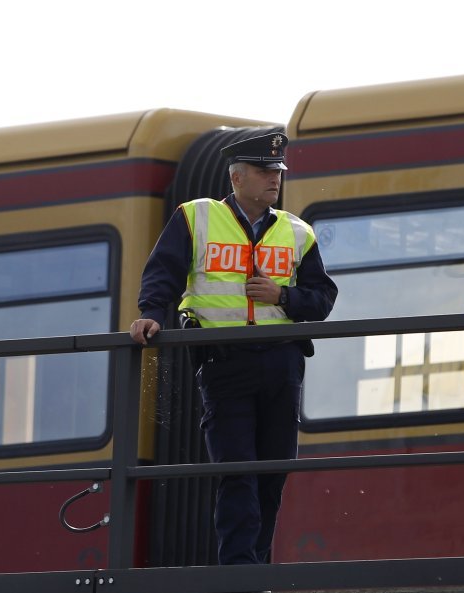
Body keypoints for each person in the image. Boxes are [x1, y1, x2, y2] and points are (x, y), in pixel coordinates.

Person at [130, 132, 337, 566]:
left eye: (277, 172)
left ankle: (255, 567)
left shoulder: (298, 232)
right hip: (225, 362)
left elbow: (322, 299)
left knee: (272, 473)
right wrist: (151, 311)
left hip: (282, 362)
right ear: (237, 176)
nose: (274, 179)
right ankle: (240, 570)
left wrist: (282, 296)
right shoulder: (196, 217)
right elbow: (163, 270)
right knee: (237, 470)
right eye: (264, 171)